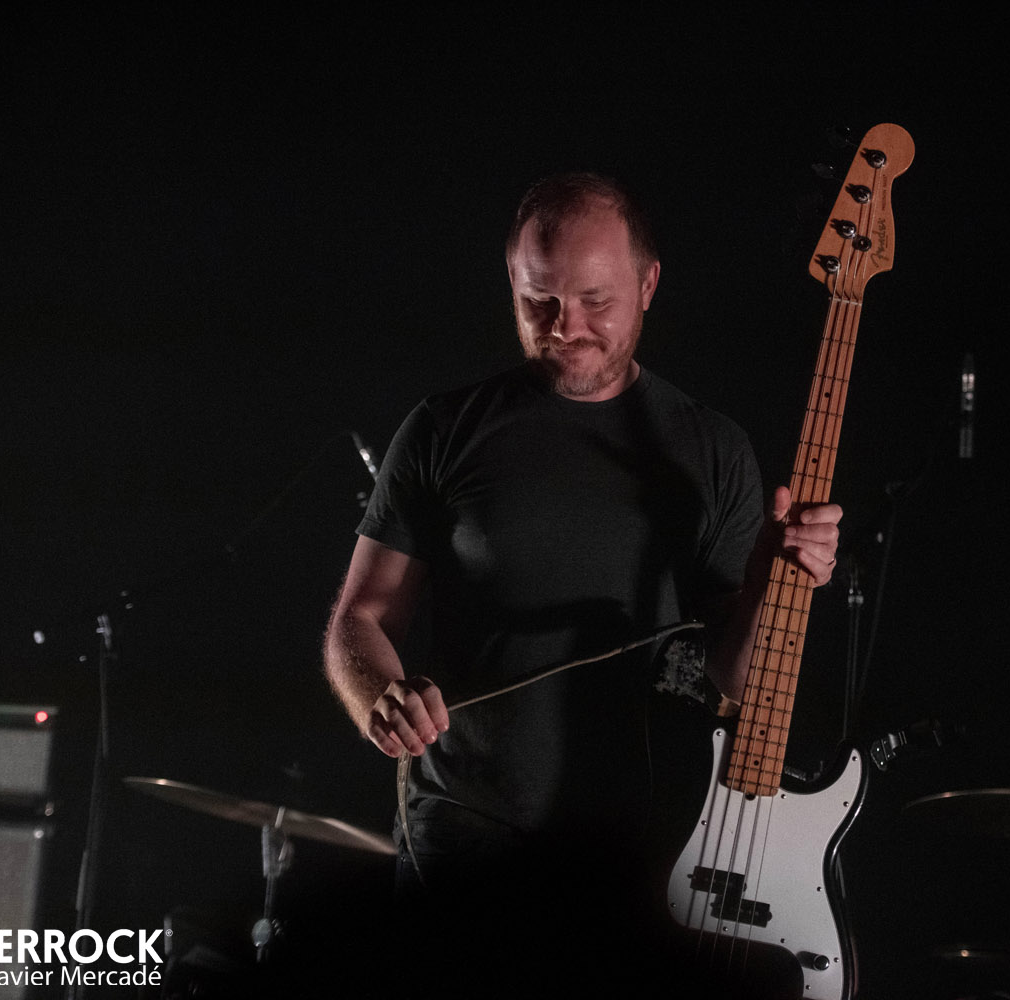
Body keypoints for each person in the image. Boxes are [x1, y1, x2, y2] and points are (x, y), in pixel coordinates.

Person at [322, 172, 841, 997]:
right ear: (512, 282)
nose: (567, 328)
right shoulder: (442, 430)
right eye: (540, 301)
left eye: (596, 301)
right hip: (467, 836)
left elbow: (739, 680)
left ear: (648, 284)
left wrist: (775, 587)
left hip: (643, 859)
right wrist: (378, 695)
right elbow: (360, 619)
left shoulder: (713, 450)